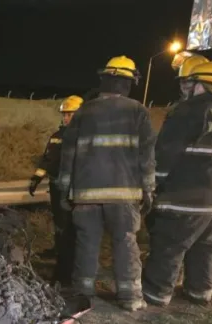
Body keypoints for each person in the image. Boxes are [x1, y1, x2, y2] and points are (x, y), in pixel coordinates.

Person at [142, 61, 212, 307]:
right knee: (204, 245)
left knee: (169, 244)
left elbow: (165, 155)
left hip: (182, 197)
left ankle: (157, 292)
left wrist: (153, 185)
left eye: (188, 83)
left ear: (200, 85)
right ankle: (199, 291)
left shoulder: (186, 111)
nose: (185, 89)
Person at [57, 56, 156, 311]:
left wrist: (64, 191)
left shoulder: (84, 111)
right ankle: (130, 297)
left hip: (86, 195)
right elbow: (146, 157)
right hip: (124, 196)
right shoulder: (138, 112)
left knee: (87, 243)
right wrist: (149, 189)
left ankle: (83, 294)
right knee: (125, 242)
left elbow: (68, 156)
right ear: (128, 82)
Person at [29, 95, 84, 285]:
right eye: (64, 114)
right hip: (56, 186)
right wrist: (36, 178)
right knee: (60, 224)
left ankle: (66, 269)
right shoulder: (57, 136)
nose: (66, 118)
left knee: (69, 228)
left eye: (70, 114)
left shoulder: (83, 138)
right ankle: (60, 252)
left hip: (74, 190)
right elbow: (48, 159)